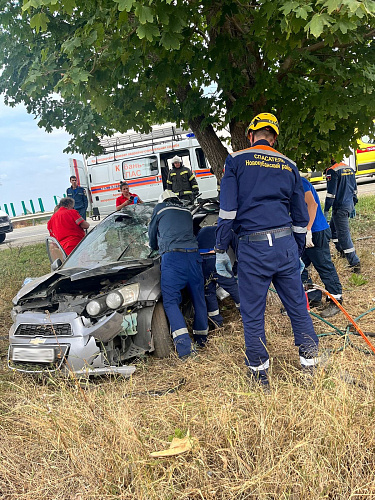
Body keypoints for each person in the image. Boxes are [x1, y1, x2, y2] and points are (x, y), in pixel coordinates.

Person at [215, 112, 320, 386]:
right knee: (298, 306)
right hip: (284, 243)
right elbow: (299, 216)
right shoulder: (289, 165)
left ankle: (260, 375)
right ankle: (310, 365)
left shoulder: (236, 160)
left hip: (253, 247)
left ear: (251, 135)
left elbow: (227, 212)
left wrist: (220, 250)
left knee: (253, 313)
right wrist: (295, 252)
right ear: (273, 138)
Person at [148, 190, 208, 360]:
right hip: (194, 256)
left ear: (162, 200)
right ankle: (202, 339)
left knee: (171, 301)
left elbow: (152, 239)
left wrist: (156, 245)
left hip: (173, 258)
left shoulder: (159, 208)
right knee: (198, 297)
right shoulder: (186, 210)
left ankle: (185, 349)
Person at [300, 174, 343, 318]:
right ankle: (313, 297)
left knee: (324, 266)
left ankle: (336, 300)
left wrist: (308, 230)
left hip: (315, 231)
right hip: (303, 233)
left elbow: (312, 205)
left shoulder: (299, 182)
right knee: (299, 266)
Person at [196, 224, 240, 327]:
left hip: (202, 262)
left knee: (209, 292)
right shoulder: (228, 230)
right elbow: (239, 251)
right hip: (217, 260)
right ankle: (246, 314)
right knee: (233, 288)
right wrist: (235, 270)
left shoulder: (202, 231)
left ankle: (216, 323)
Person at [324, 159, 360, 273]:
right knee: (333, 230)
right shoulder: (349, 168)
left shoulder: (332, 171)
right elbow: (354, 190)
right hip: (348, 204)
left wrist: (326, 210)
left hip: (339, 207)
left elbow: (331, 194)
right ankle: (341, 251)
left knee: (344, 236)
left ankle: (355, 262)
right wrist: (353, 204)